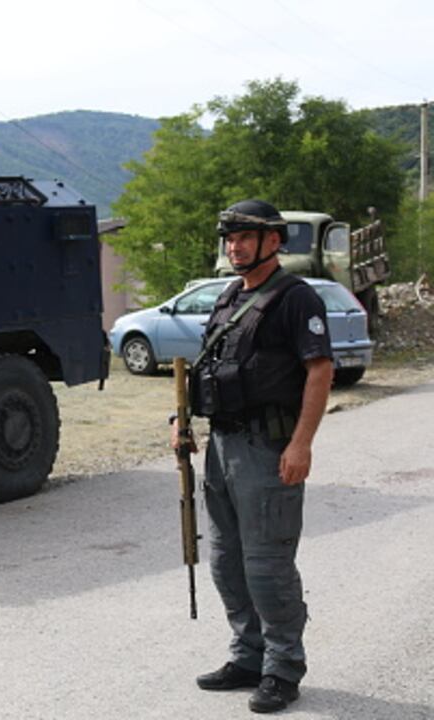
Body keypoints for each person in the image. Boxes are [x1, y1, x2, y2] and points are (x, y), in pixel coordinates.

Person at [173, 199, 334, 714]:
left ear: (273, 241)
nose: (234, 245)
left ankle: (283, 668)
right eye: (230, 237)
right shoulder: (227, 296)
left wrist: (302, 442)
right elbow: (210, 369)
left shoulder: (295, 298)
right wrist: (182, 421)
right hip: (222, 446)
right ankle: (248, 655)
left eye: (244, 236)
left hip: (269, 448)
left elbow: (319, 370)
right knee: (225, 561)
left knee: (267, 566)